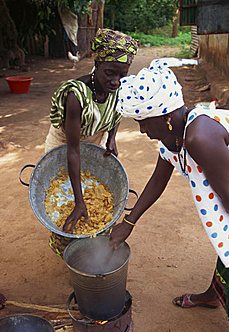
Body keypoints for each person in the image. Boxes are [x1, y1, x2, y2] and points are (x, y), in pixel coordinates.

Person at [109, 59, 229, 332]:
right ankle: (215, 295)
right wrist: (128, 222)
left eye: (144, 122)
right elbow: (159, 178)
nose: (143, 130)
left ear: (167, 116)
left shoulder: (200, 138)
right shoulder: (175, 133)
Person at [44, 28, 138, 256]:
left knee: (93, 191)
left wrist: (112, 137)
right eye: (110, 73)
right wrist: (79, 201)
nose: (116, 81)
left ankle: (89, 240)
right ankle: (63, 245)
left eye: (121, 74)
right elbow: (73, 151)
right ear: (97, 63)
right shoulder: (76, 96)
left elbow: (117, 111)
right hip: (65, 147)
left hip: (93, 141)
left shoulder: (116, 88)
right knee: (64, 198)